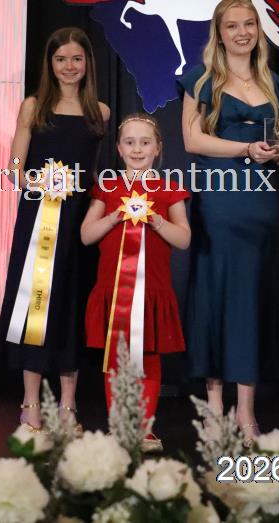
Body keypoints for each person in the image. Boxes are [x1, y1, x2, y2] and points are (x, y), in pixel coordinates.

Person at [178, 0, 279, 445]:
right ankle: (214, 409)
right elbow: (192, 140)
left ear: (258, 31)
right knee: (215, 296)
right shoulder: (201, 78)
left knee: (250, 301)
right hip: (220, 201)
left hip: (262, 205)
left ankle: (246, 411)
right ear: (219, 33)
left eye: (249, 24)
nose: (242, 32)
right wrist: (245, 148)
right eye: (232, 25)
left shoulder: (275, 84)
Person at [0, 27, 110, 433]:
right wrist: (36, 181)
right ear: (50, 64)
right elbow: (14, 167)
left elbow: (92, 173)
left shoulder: (100, 112)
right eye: (61, 59)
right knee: (35, 308)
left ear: (87, 63)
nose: (69, 66)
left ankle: (68, 406)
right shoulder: (33, 107)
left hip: (79, 222)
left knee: (71, 308)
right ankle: (30, 405)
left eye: (76, 59)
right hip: (39, 220)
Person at [82, 112, 191, 453]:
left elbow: (183, 238)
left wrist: (156, 220)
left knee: (149, 358)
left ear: (158, 148)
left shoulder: (169, 190)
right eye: (130, 142)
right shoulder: (107, 189)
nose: (137, 149)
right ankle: (119, 427)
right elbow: (86, 235)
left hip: (152, 291)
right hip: (114, 292)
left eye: (145, 142)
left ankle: (144, 428)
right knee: (116, 358)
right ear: (118, 148)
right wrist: (115, 216)